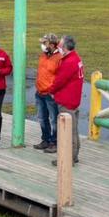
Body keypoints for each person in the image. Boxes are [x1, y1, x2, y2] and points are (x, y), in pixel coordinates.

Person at [50, 35, 85, 165]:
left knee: (68, 132)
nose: (58, 47)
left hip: (67, 101)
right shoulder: (76, 59)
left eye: (60, 45)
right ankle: (74, 155)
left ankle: (68, 158)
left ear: (64, 47)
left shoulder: (69, 62)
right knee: (74, 131)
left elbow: (60, 80)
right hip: (74, 99)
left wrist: (51, 90)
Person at [34, 33, 61, 152]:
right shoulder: (43, 55)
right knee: (42, 118)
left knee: (54, 119)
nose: (42, 45)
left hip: (51, 94)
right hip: (40, 92)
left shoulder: (59, 58)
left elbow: (61, 77)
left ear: (51, 44)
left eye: (44, 43)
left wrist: (53, 91)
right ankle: (45, 139)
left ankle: (55, 142)